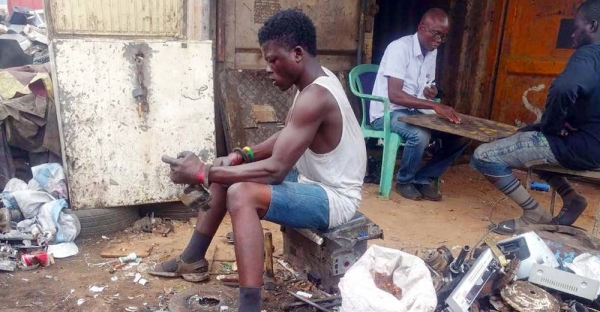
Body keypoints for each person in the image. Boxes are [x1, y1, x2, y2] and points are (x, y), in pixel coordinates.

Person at [149, 9, 367, 312]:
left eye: (272, 59)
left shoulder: (315, 97)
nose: (267, 68)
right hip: (311, 181)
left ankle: (249, 307)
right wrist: (241, 155)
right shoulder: (315, 80)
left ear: (297, 54)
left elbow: (276, 170)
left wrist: (203, 172)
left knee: (241, 192)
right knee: (232, 169)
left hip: (334, 198)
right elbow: (289, 135)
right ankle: (192, 260)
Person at [470, 0, 600, 235]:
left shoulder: (589, 55)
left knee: (483, 156)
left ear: (592, 25)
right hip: (593, 148)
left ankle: (534, 214)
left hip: (580, 148)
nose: (573, 33)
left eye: (576, 26)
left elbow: (564, 88)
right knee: (528, 134)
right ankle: (572, 198)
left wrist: (552, 125)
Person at [370, 8, 470, 201]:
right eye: (436, 34)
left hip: (415, 111)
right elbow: (395, 95)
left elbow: (425, 86)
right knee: (420, 135)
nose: (439, 40)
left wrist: (430, 92)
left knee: (461, 135)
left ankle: (423, 179)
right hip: (387, 112)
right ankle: (404, 181)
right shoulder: (399, 48)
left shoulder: (431, 51)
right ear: (421, 28)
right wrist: (433, 106)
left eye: (443, 36)